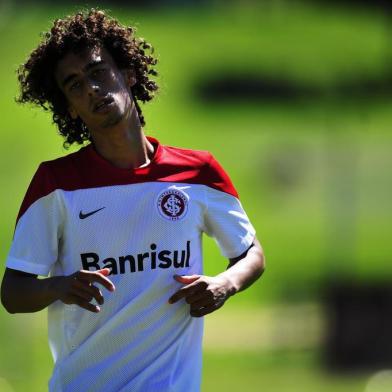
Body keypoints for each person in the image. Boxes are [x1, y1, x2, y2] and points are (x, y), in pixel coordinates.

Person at [0, 9, 265, 392]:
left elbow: (251, 252)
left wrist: (225, 283)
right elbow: (13, 292)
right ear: (70, 108)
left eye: (97, 72)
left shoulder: (197, 172)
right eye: (74, 85)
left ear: (127, 73)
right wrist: (60, 287)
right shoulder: (55, 184)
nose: (90, 88)